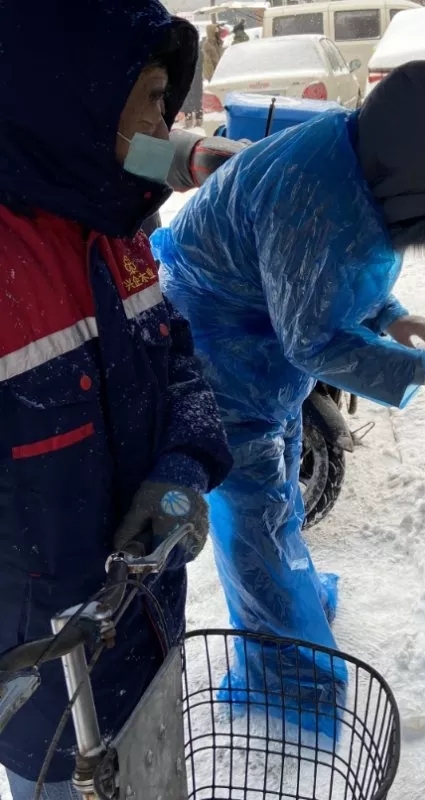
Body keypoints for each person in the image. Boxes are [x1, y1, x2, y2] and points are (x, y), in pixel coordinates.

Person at [150, 60, 425, 723]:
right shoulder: (313, 194)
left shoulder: (365, 158)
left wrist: (392, 315)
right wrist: (423, 370)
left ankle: (293, 607)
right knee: (254, 504)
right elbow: (313, 341)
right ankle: (284, 676)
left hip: (259, 331)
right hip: (220, 341)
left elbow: (333, 275)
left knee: (279, 473)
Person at [0, 0, 232, 796]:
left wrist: (182, 468)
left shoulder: (118, 229)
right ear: (74, 97)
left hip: (147, 639)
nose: (167, 125)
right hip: (43, 695)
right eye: (154, 98)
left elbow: (180, 366)